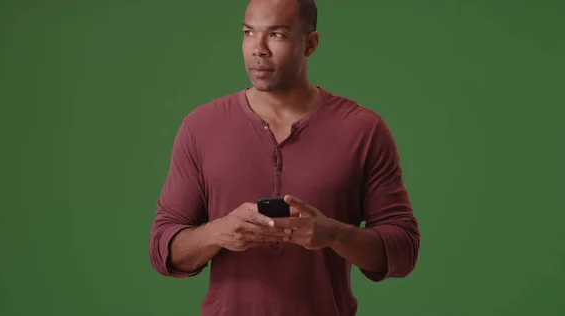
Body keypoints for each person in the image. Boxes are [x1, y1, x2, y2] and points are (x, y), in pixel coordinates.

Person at [148, 0, 420, 315]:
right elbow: (162, 249)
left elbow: (403, 249)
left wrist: (332, 233)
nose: (258, 49)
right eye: (249, 33)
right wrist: (217, 232)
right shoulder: (200, 127)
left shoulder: (364, 130)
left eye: (276, 35)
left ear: (311, 43)